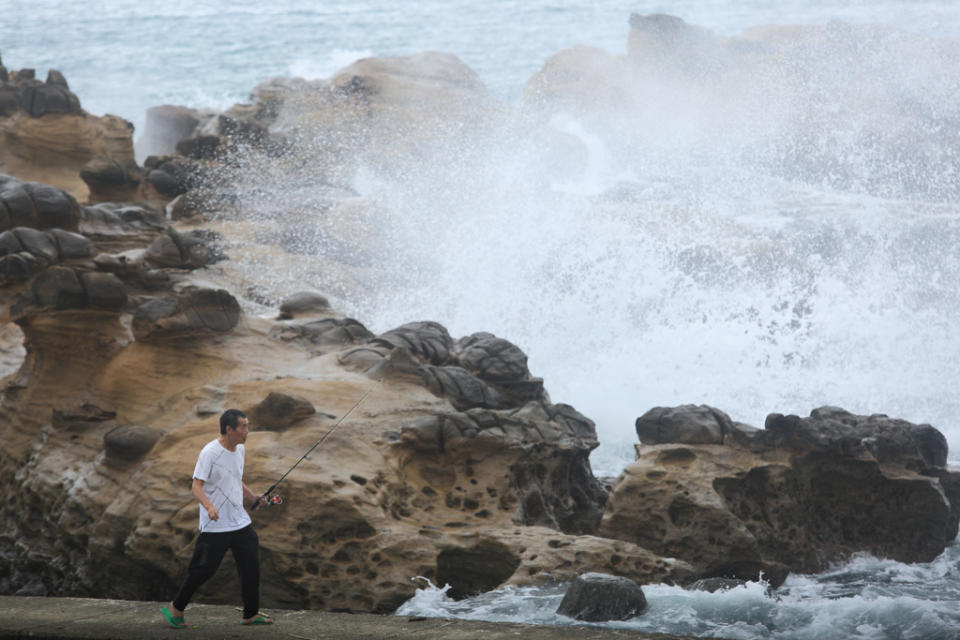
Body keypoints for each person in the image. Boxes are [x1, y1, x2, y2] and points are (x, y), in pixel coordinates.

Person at [161, 409, 273, 627]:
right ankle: (176, 608)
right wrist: (209, 507)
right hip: (216, 525)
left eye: (247, 426)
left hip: (240, 521)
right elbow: (196, 486)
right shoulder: (210, 452)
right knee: (203, 570)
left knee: (251, 568)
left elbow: (234, 479)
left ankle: (250, 614)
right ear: (229, 429)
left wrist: (253, 497)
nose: (247, 432)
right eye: (243, 427)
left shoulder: (239, 449)